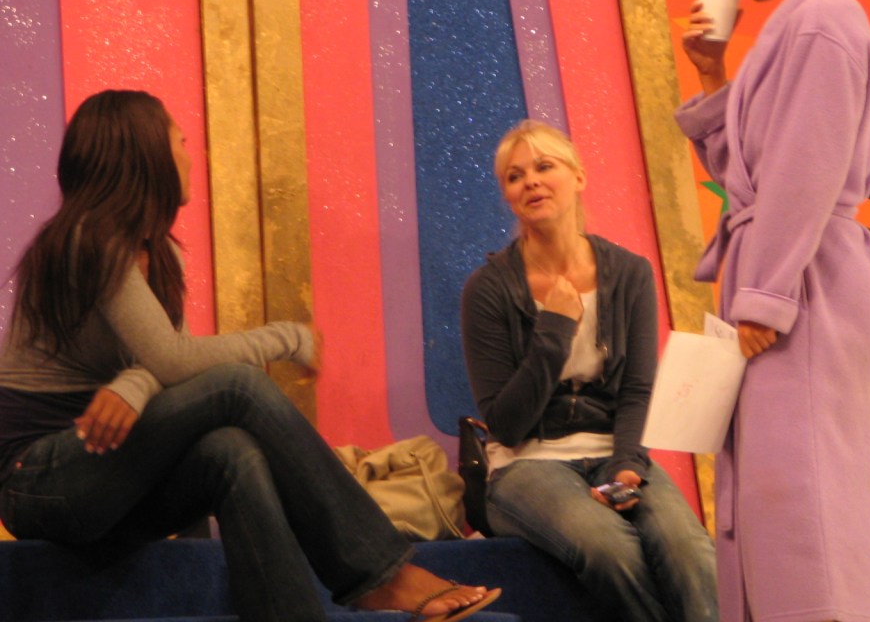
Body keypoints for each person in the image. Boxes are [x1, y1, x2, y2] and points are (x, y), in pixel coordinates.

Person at [0, 89, 500, 622]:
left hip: (111, 471)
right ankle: (379, 574)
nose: (191, 156)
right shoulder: (87, 241)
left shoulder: (161, 254)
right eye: (180, 141)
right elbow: (176, 361)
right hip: (40, 480)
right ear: (144, 154)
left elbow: (167, 368)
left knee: (232, 451)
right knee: (238, 387)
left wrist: (133, 385)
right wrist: (287, 338)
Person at [675, 0, 870, 620]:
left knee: (804, 495)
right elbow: (754, 176)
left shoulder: (825, 22)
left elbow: (806, 168)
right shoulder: (802, 23)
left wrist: (765, 294)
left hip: (802, 285)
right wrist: (713, 76)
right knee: (775, 494)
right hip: (785, 273)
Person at [460, 120, 718, 622]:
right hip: (525, 462)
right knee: (609, 547)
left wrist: (628, 465)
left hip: (612, 453)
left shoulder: (629, 272)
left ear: (578, 177)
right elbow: (506, 425)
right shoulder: (487, 288)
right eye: (515, 176)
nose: (531, 181)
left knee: (689, 549)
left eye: (544, 166)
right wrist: (555, 329)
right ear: (508, 196)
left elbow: (638, 388)